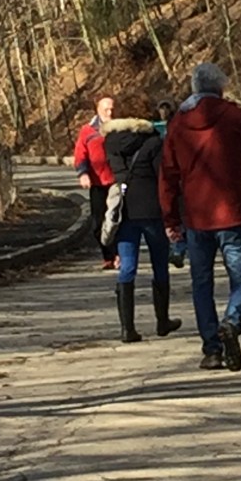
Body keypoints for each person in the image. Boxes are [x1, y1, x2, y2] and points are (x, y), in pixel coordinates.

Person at [159, 63, 241, 372]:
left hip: (197, 217)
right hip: (232, 212)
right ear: (220, 87)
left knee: (201, 284)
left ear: (194, 88)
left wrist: (170, 218)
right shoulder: (230, 114)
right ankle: (231, 321)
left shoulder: (178, 124)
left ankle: (212, 349)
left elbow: (167, 175)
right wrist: (239, 111)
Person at [103, 100, 182, 344]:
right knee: (159, 263)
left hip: (125, 210)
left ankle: (127, 329)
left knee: (127, 266)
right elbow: (163, 176)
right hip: (151, 209)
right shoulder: (153, 142)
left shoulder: (110, 142)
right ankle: (162, 321)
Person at [74, 95, 117, 270]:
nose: (110, 113)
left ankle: (120, 255)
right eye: (106, 109)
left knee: (118, 219)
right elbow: (80, 154)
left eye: (112, 109)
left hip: (118, 182)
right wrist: (83, 173)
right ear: (97, 110)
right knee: (98, 223)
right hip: (98, 183)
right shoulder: (88, 131)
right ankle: (108, 256)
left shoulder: (120, 128)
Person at [152, 98, 187, 269]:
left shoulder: (178, 127)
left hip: (179, 175)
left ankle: (179, 248)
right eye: (161, 109)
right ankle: (178, 248)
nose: (163, 112)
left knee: (181, 214)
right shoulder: (154, 129)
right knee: (173, 213)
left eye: (166, 109)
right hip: (165, 171)